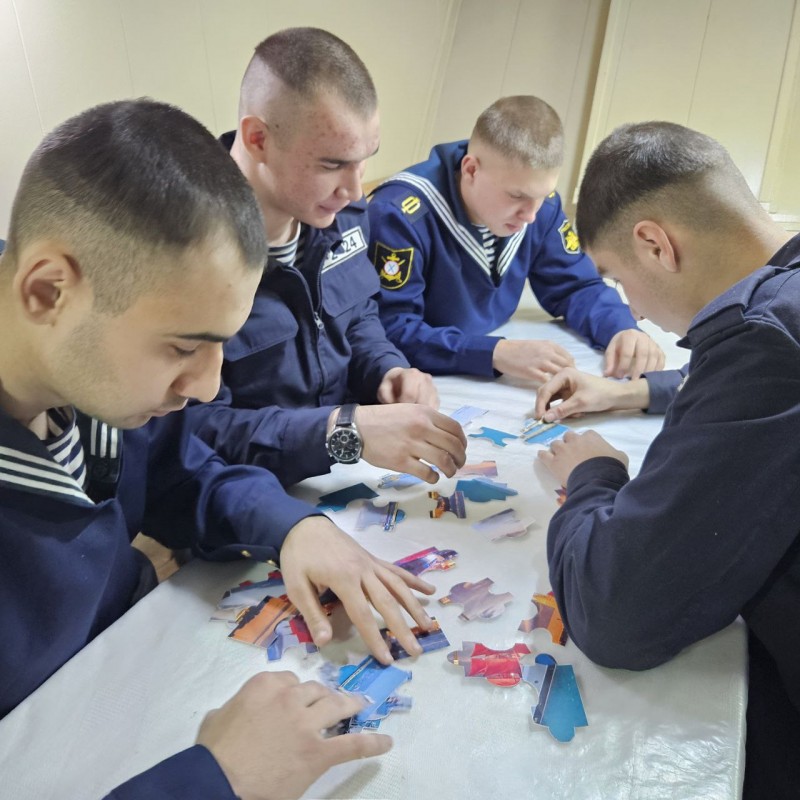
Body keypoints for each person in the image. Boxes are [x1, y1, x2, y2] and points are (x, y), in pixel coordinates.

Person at [0, 99, 437, 800]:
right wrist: (213, 781)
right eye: (183, 348)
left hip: (117, 680)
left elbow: (184, 471)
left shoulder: (88, 361)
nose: (207, 388)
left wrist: (293, 527)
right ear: (48, 291)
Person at [533, 121, 800, 799]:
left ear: (656, 244)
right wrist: (631, 391)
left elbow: (617, 610)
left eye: (621, 279)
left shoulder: (765, 344)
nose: (632, 306)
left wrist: (591, 477)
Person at [186, 27, 467, 487]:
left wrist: (387, 369)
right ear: (257, 139)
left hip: (341, 474)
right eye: (332, 164)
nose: (355, 190)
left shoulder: (343, 214)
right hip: (244, 498)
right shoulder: (183, 251)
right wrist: (342, 431)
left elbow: (357, 317)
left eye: (364, 160)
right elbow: (194, 433)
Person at [367, 95, 665, 383]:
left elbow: (576, 286)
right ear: (471, 169)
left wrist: (621, 329)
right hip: (425, 377)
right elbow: (390, 329)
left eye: (541, 195)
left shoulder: (540, 207)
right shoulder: (400, 214)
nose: (531, 215)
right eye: (516, 196)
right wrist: (494, 353)